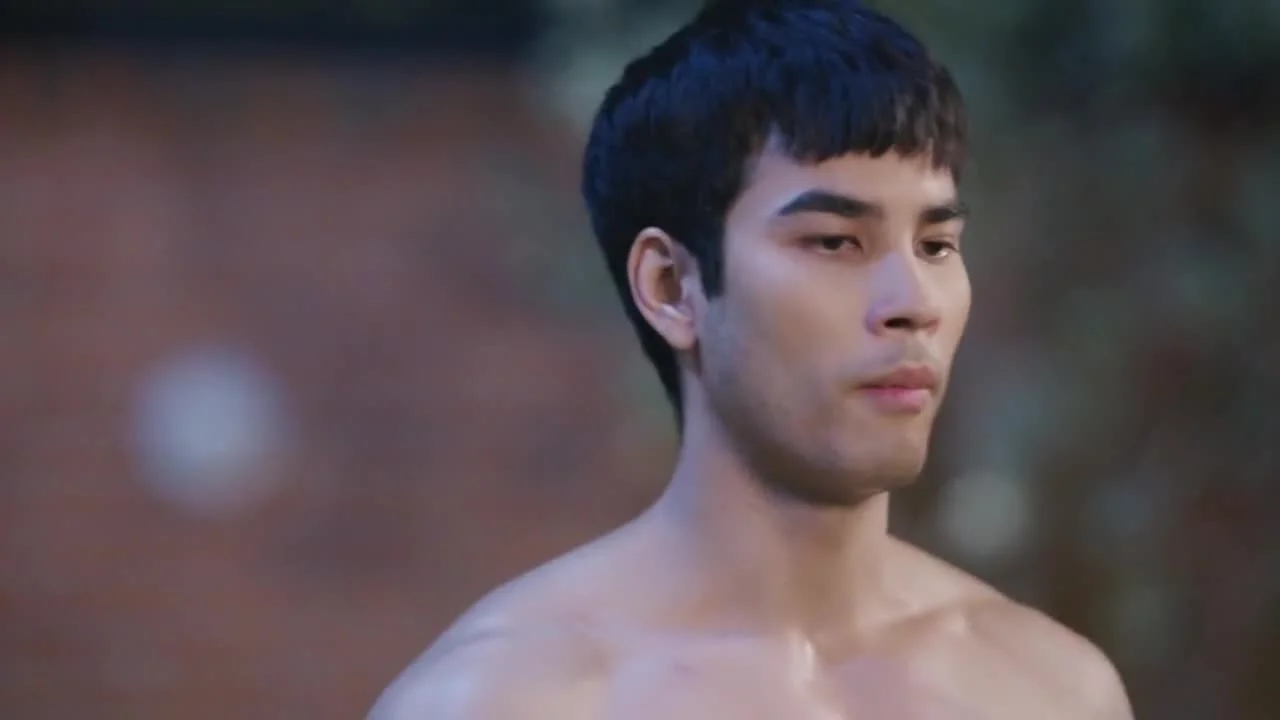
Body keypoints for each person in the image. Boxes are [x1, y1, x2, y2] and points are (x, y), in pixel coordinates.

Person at [370, 0, 1134, 717]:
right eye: (834, 241)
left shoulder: (1048, 689)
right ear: (671, 287)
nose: (913, 302)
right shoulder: (509, 699)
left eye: (936, 245)